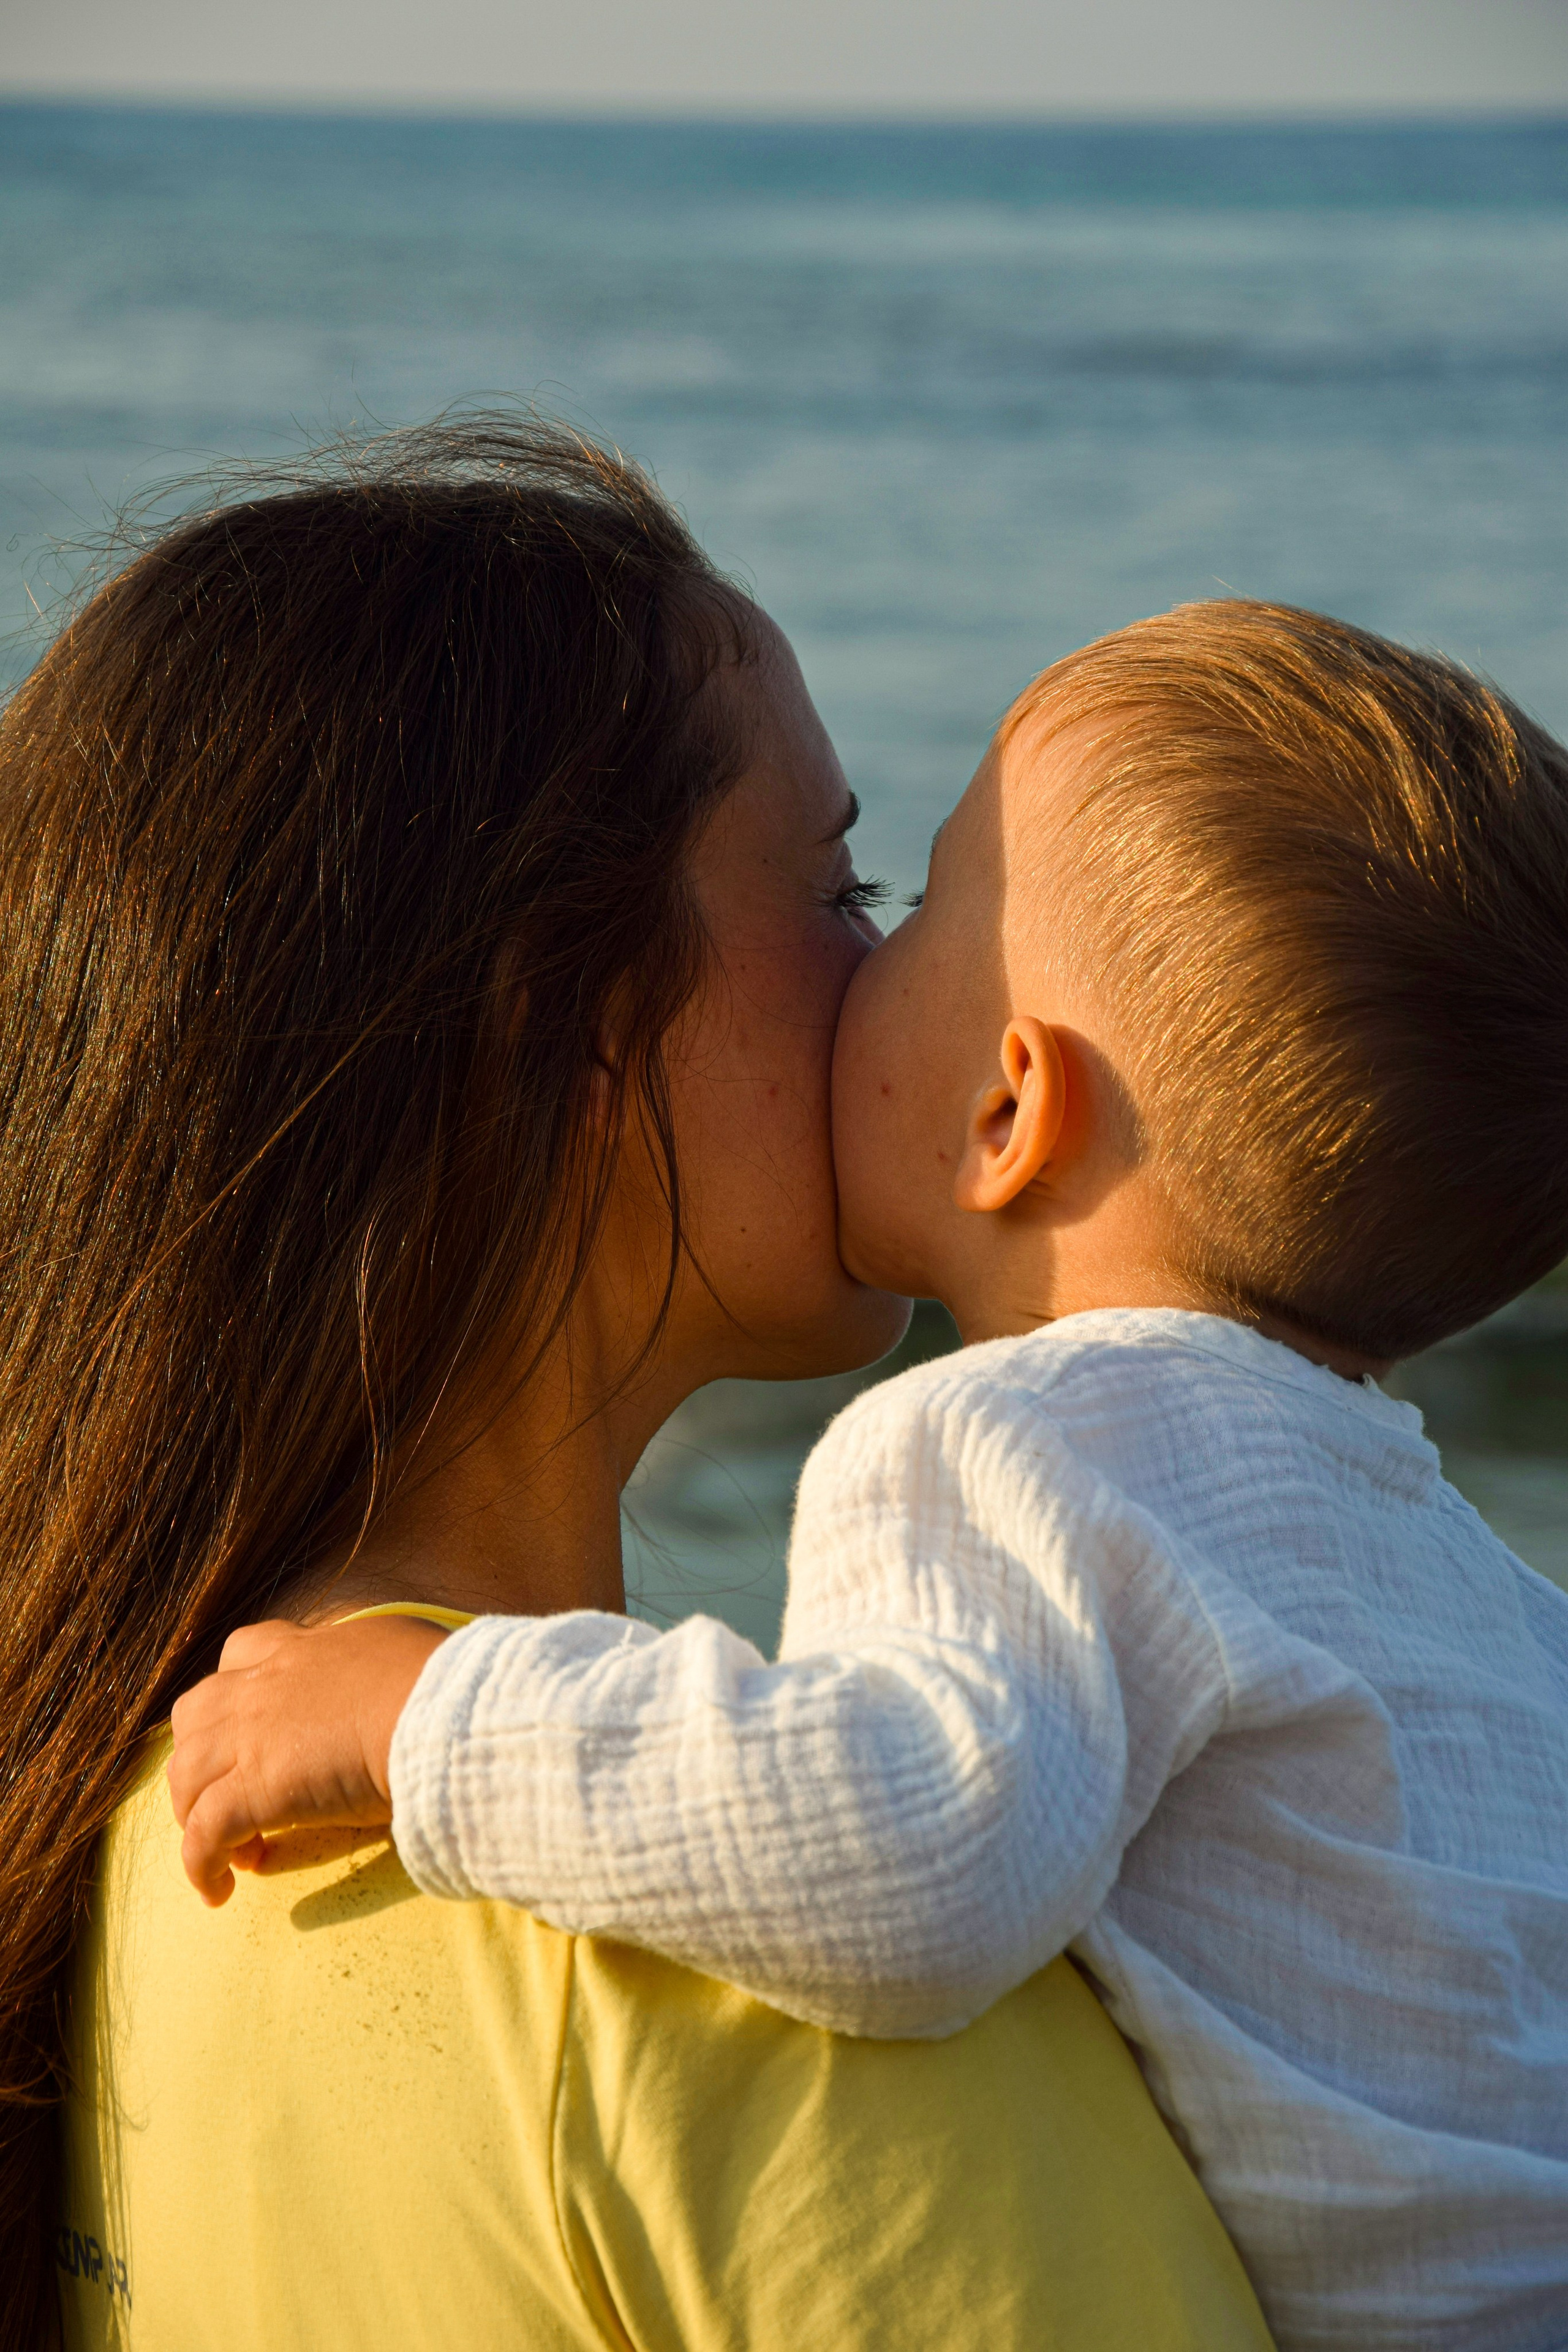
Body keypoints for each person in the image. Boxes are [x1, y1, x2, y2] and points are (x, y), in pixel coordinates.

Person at [0, 422, 1274, 2351]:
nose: (927, 991)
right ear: (566, 1025)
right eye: (851, 892)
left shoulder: (129, 1837)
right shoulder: (791, 1977)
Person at [175, 602, 1568, 2351]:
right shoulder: (1477, 1581)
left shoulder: (1007, 1443)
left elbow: (904, 1850)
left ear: (1009, 1115)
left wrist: (433, 1714)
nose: (858, 962)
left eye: (898, 907)